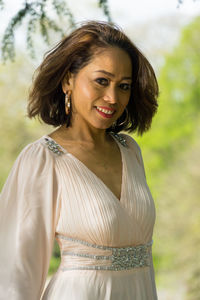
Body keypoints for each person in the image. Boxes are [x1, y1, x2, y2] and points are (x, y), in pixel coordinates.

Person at [0, 20, 159, 300]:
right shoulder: (43, 159)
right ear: (68, 81)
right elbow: (15, 273)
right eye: (101, 81)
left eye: (124, 86)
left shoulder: (130, 150)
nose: (112, 97)